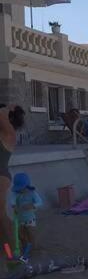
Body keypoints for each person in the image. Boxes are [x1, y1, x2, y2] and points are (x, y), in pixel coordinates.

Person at [0, 104, 26, 255]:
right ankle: (17, 243)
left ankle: (16, 251)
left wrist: (6, 108)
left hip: (0, 177)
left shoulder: (9, 133)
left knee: (1, 216)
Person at [9, 172, 42, 258]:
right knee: (21, 234)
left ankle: (34, 249)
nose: (20, 190)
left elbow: (40, 202)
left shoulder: (32, 193)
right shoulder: (16, 194)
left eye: (21, 188)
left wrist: (32, 205)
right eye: (18, 189)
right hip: (20, 219)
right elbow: (12, 201)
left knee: (31, 233)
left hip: (30, 219)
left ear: (27, 186)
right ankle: (24, 248)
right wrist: (14, 206)